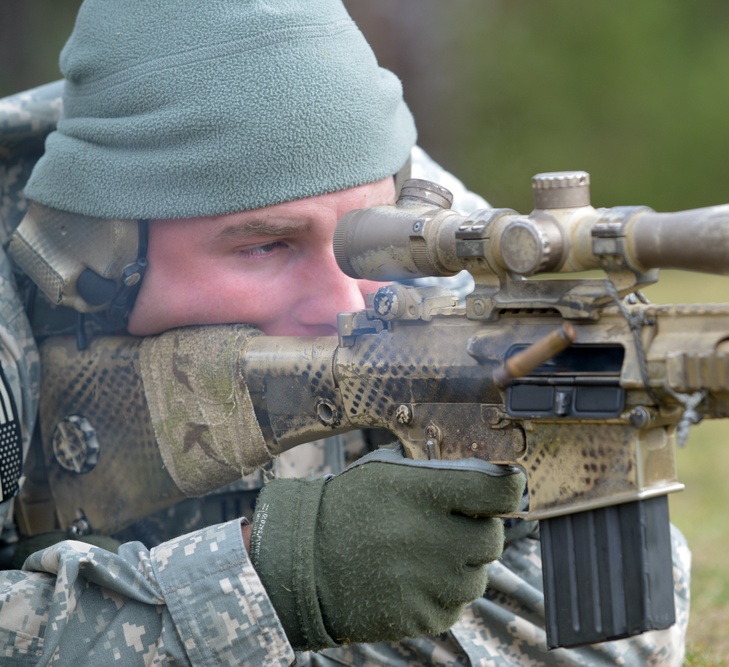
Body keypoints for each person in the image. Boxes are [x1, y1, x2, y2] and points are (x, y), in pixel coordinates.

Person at [0, 0, 690, 664]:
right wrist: (273, 588)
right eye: (267, 246)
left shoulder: (433, 244)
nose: (343, 306)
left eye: (365, 245)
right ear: (96, 251)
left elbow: (612, 627)